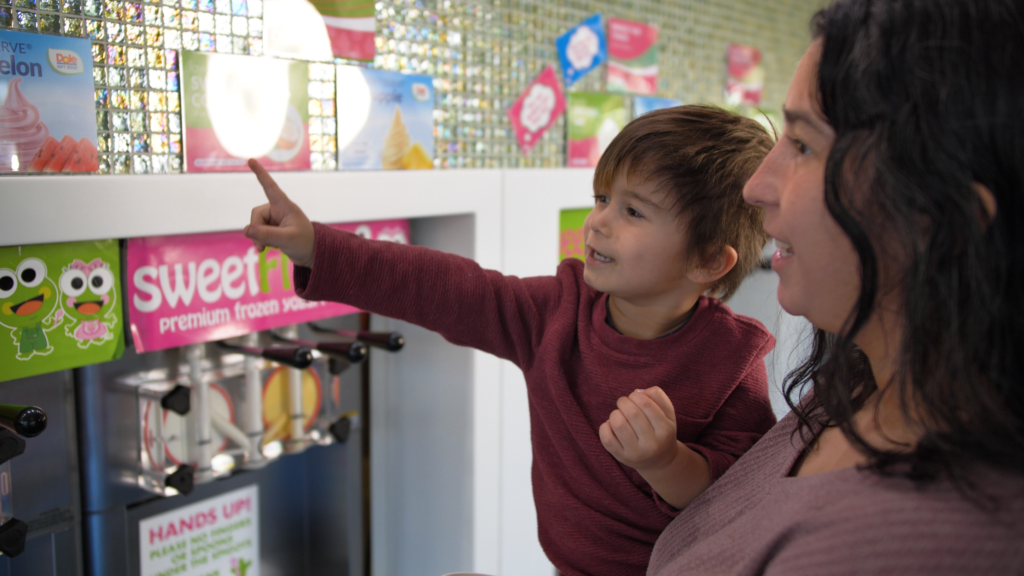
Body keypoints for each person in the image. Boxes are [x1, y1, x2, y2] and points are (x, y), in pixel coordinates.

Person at [244, 106, 778, 575]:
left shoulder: (733, 361)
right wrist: (318, 248)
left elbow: (739, 500)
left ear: (709, 260)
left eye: (633, 211)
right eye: (602, 198)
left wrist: (666, 463)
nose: (598, 223)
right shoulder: (556, 313)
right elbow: (448, 290)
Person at [644, 1, 1024, 574]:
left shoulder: (913, 544)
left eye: (803, 145)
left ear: (941, 220)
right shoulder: (860, 384)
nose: (755, 186)